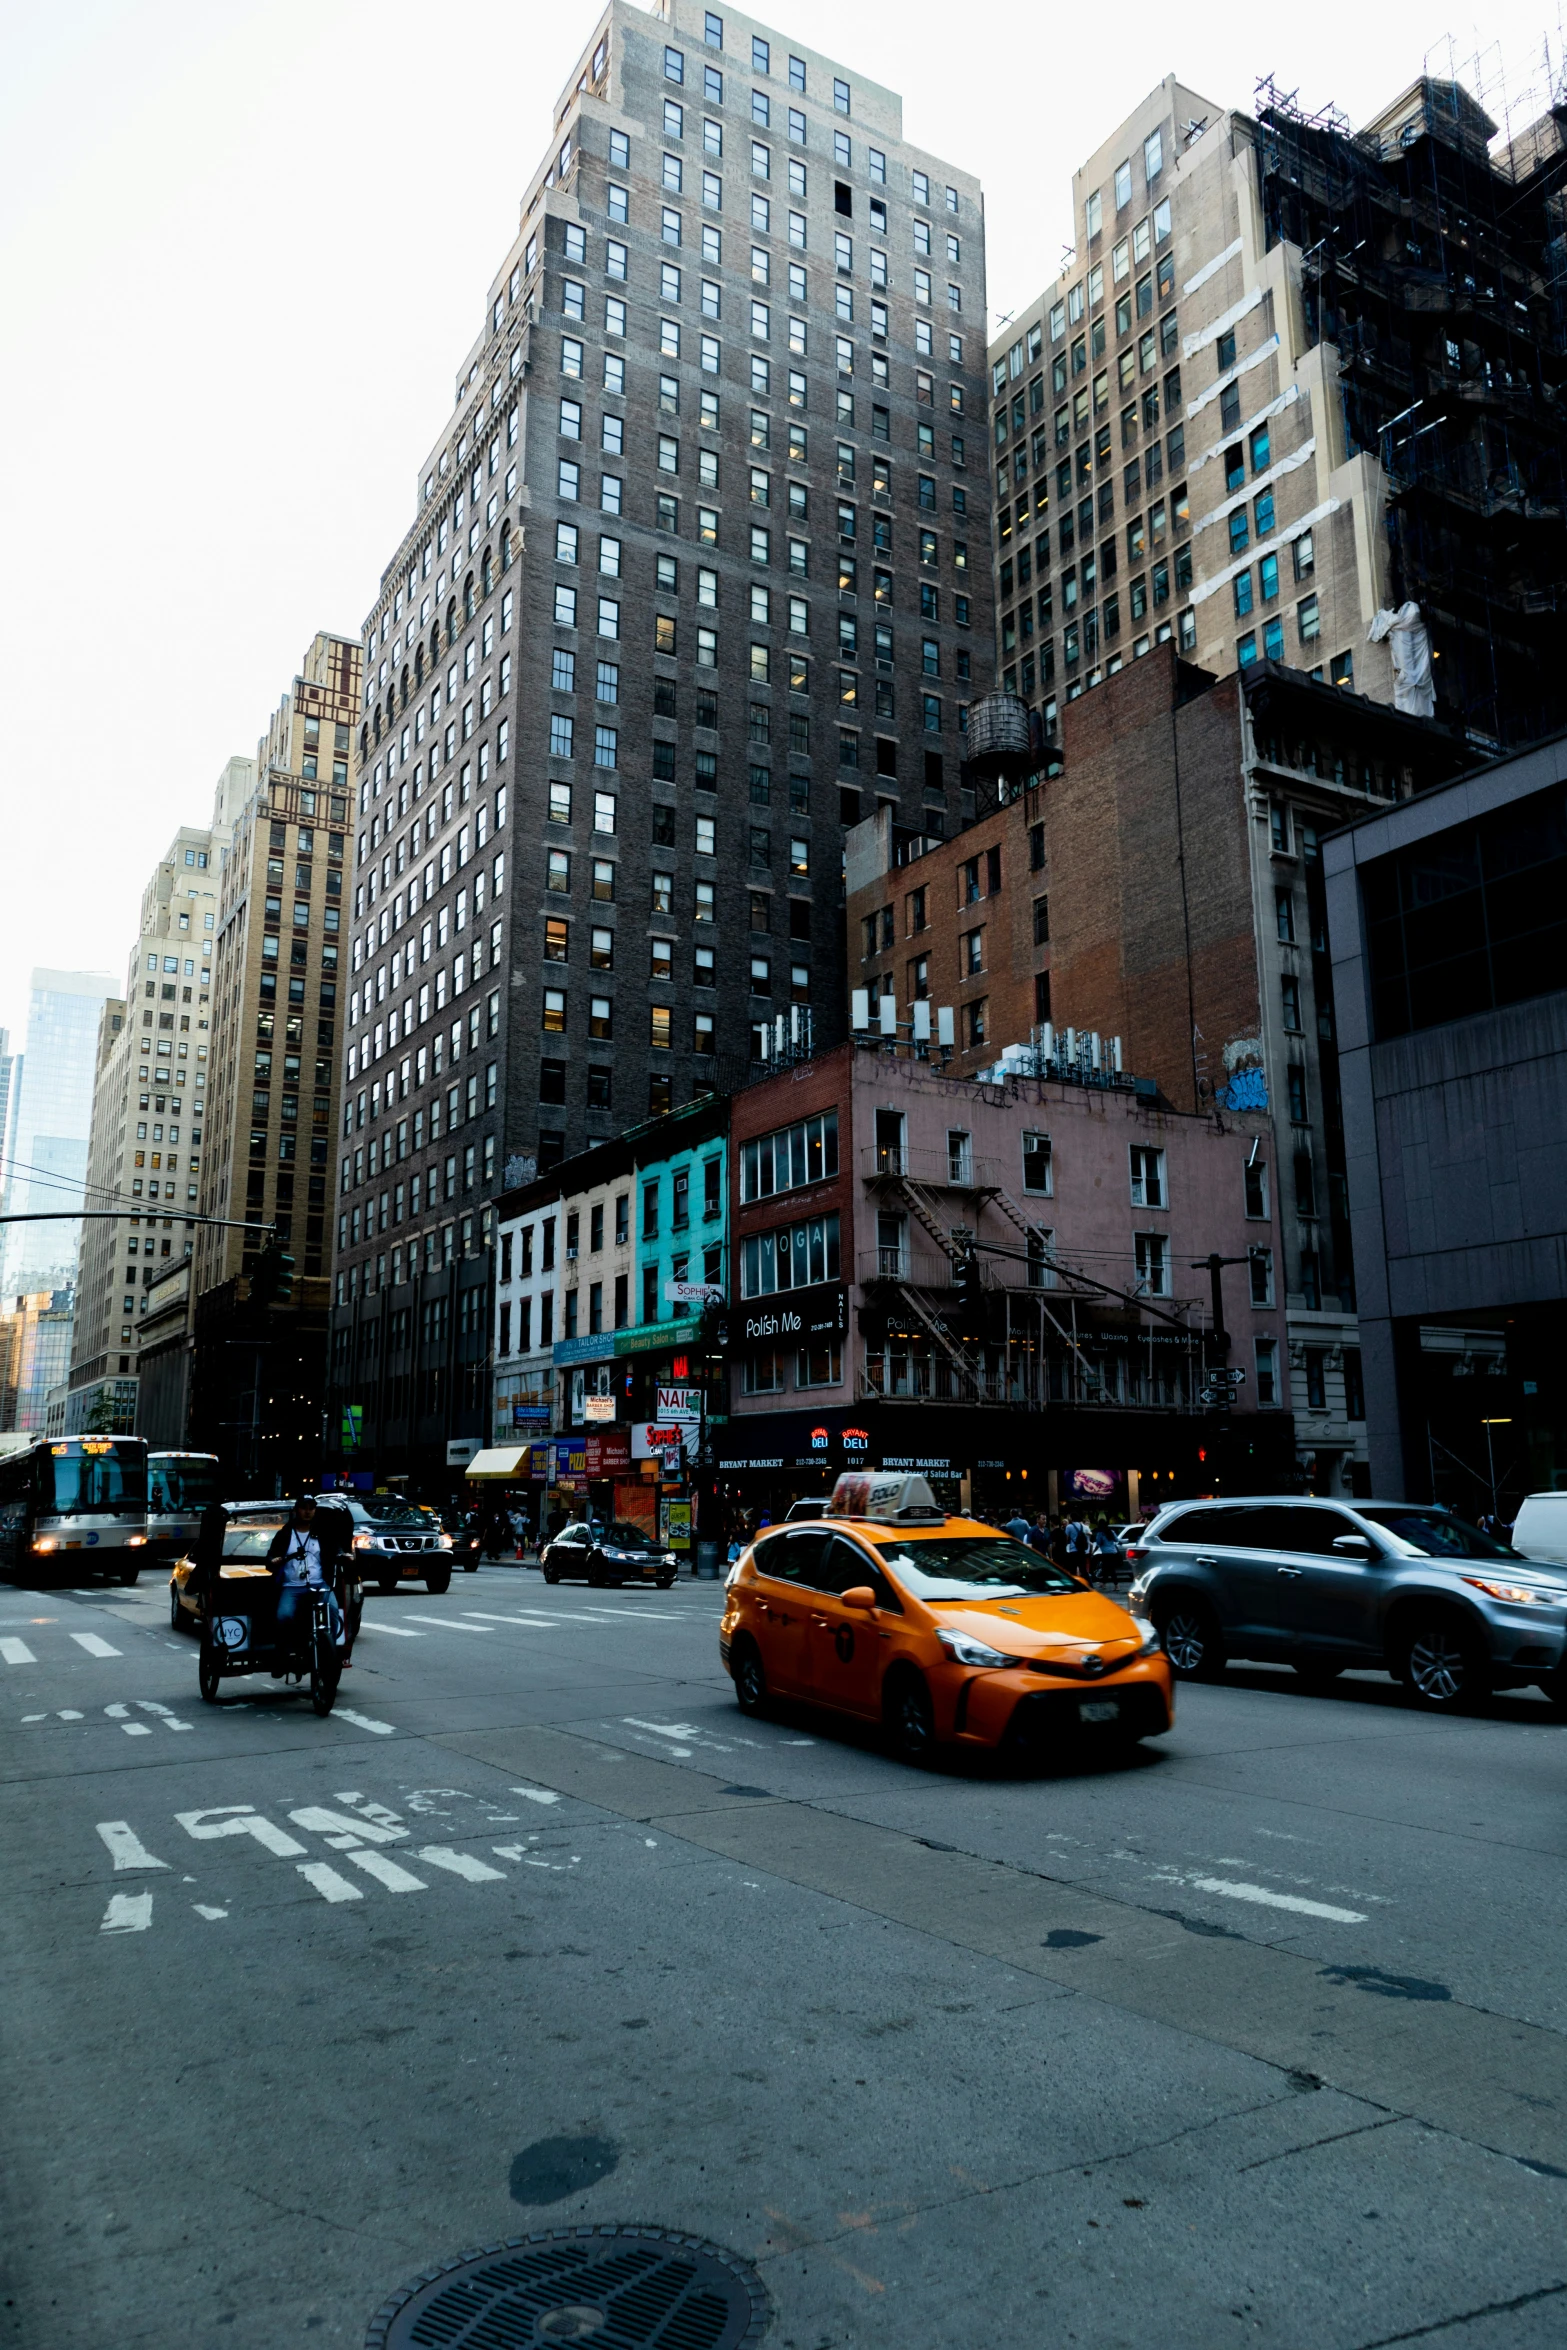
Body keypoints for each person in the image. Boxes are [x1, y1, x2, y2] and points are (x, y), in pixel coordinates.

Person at [266, 1496, 347, 1672]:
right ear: (297, 1510)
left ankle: (330, 1651)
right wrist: (274, 1560)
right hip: (292, 1587)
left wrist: (343, 1555)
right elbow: (270, 1558)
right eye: (304, 1507)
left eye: (311, 1507)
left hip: (319, 1584)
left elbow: (336, 1548)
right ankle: (284, 1652)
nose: (308, 1511)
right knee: (283, 1616)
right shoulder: (285, 1533)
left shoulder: (323, 1532)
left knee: (333, 1610)